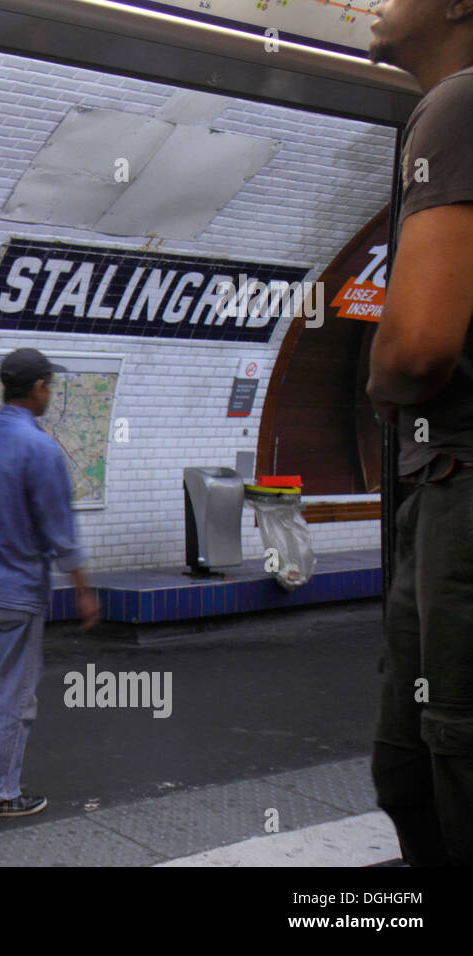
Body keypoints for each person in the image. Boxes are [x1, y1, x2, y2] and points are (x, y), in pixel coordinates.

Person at [366, 0, 473, 866]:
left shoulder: (462, 102)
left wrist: (379, 377)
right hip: (443, 479)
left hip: (459, 482)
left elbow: (417, 347)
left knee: (447, 760)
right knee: (414, 768)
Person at [0, 347, 99, 819]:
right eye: (49, 385)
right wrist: (84, 591)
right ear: (36, 388)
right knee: (15, 690)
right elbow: (59, 532)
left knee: (3, 682)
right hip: (17, 592)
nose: (50, 393)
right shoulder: (40, 449)